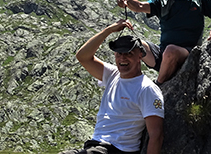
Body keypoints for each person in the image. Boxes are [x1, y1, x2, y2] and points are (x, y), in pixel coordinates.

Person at [59, 20, 164, 154]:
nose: (122, 58)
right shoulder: (113, 74)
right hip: (96, 146)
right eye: (118, 54)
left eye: (128, 54)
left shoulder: (147, 89)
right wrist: (108, 31)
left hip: (118, 149)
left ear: (140, 56)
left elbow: (156, 134)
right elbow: (83, 57)